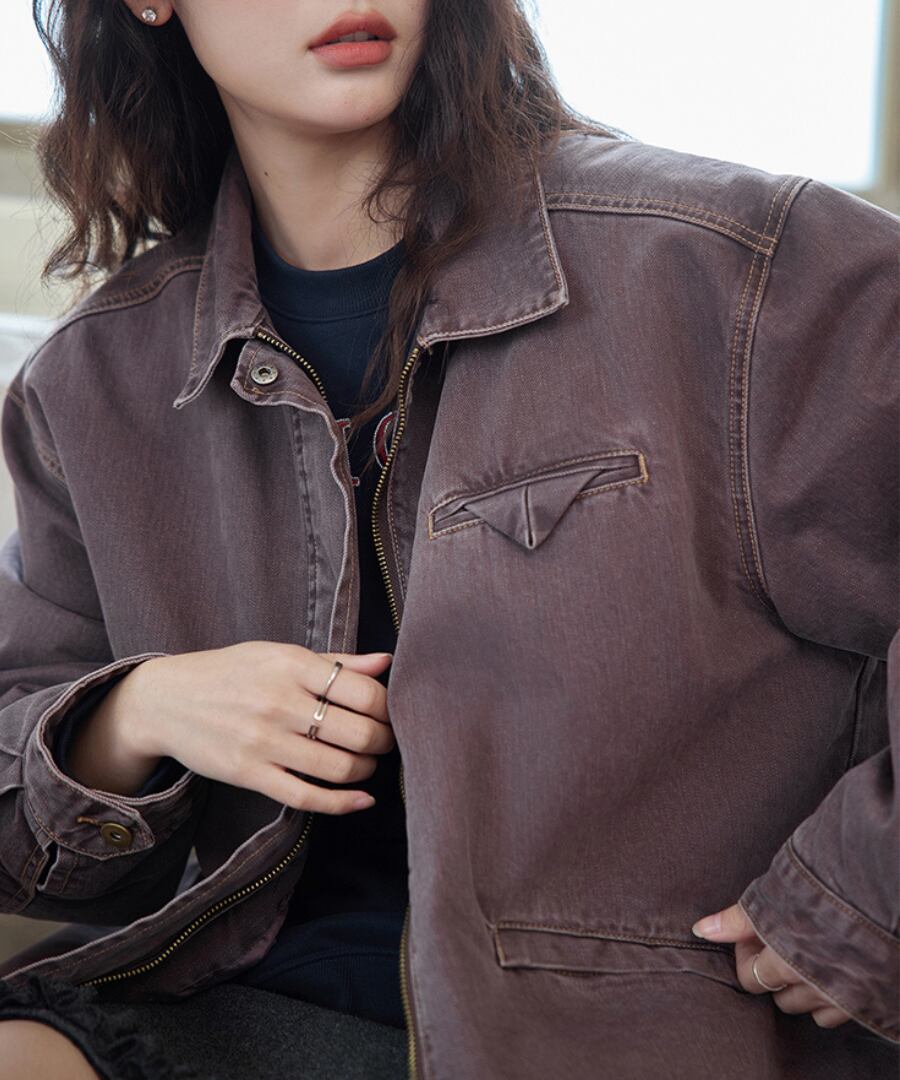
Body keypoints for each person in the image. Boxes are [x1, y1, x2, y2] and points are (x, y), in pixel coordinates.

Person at [0, 1, 897, 1078]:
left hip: (629, 1032)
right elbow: (32, 841)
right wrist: (139, 709)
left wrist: (862, 893)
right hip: (231, 1000)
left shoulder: (742, 268)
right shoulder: (94, 383)